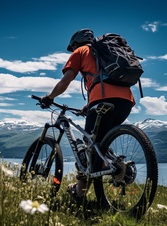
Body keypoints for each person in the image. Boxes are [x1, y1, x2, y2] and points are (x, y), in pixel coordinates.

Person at [40, 28, 135, 204]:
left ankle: (100, 175)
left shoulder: (80, 51)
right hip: (126, 102)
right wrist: (88, 105)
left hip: (102, 99)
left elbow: (65, 80)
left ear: (75, 43)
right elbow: (103, 80)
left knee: (89, 147)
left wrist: (49, 97)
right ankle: (84, 188)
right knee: (96, 143)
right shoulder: (103, 52)